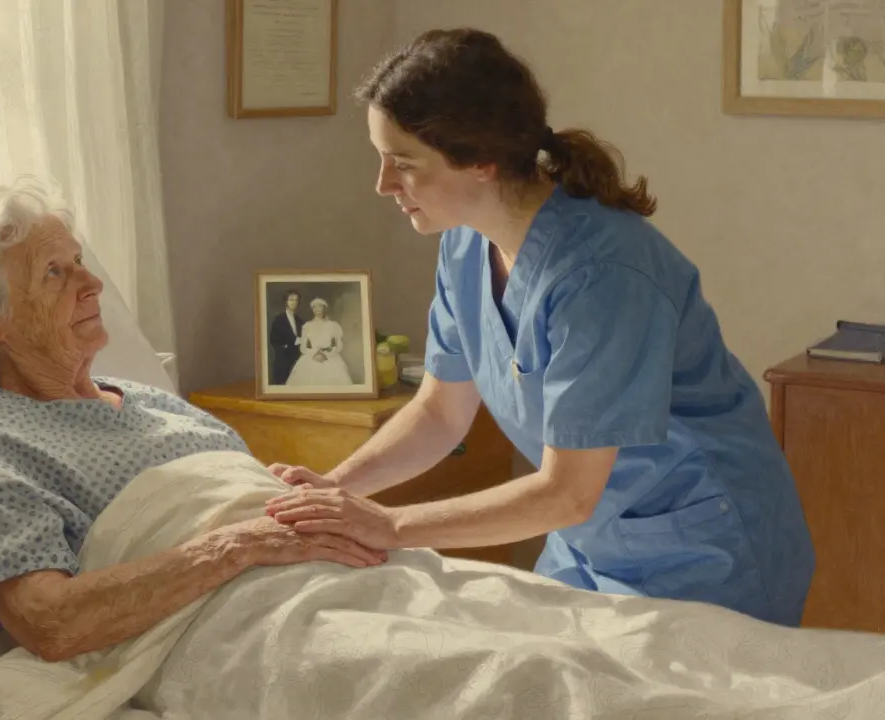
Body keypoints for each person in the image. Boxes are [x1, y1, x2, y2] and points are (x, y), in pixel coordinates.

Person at [264, 28, 816, 627]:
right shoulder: (463, 245)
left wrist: (393, 525)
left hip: (703, 550)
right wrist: (336, 489)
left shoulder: (604, 273)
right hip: (589, 541)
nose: (383, 185)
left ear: (479, 159)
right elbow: (440, 415)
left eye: (402, 163)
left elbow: (568, 492)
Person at [0, 177, 386, 662]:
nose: (92, 283)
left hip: (345, 586)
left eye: (78, 261)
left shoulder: (158, 403)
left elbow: (232, 506)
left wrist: (281, 495)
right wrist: (236, 545)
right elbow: (49, 622)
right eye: (54, 273)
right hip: (248, 633)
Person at [286, 297, 353, 386]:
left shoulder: (333, 325)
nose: (318, 310)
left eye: (320, 307)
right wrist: (314, 354)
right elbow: (303, 348)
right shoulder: (307, 326)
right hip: (311, 357)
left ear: (324, 309)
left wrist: (326, 354)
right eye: (315, 307)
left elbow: (339, 346)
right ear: (312, 310)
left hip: (329, 358)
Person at [268, 289, 305, 384]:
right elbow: (274, 340)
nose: (294, 302)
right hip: (283, 361)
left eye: (296, 300)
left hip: (297, 361)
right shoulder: (279, 320)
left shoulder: (300, 321)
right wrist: (291, 343)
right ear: (286, 301)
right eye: (291, 300)